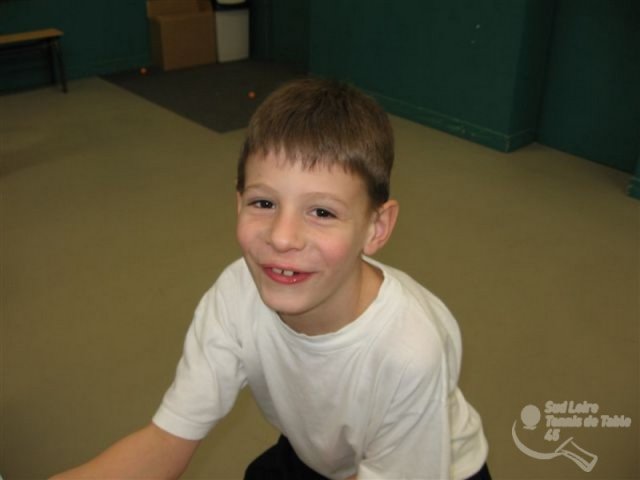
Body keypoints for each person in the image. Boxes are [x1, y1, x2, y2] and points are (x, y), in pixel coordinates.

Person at [51, 78, 490, 479]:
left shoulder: (409, 350)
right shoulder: (237, 293)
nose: (282, 237)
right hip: (322, 457)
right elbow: (165, 442)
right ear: (238, 202)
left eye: (322, 212)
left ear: (376, 228)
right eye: (263, 203)